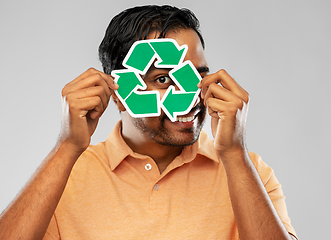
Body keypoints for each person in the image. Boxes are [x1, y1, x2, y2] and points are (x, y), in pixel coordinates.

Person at [0, 5, 298, 240]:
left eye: (197, 75)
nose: (190, 95)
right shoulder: (66, 177)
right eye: (164, 78)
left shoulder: (251, 172)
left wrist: (234, 155)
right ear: (118, 94)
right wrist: (66, 147)